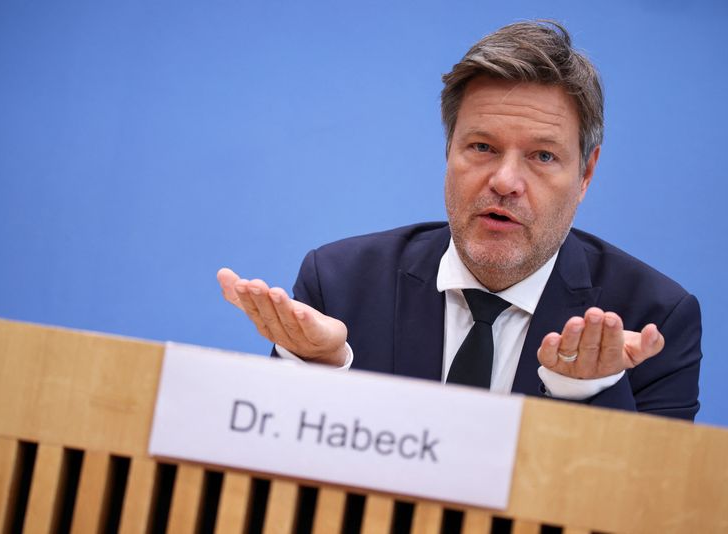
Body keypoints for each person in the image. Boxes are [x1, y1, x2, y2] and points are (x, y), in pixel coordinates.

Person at [217, 20, 702, 420]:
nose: (506, 181)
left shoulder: (654, 319)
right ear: (449, 149)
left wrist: (587, 391)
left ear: (586, 173)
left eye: (542, 156)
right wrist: (322, 368)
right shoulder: (341, 285)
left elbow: (644, 506)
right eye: (482, 147)